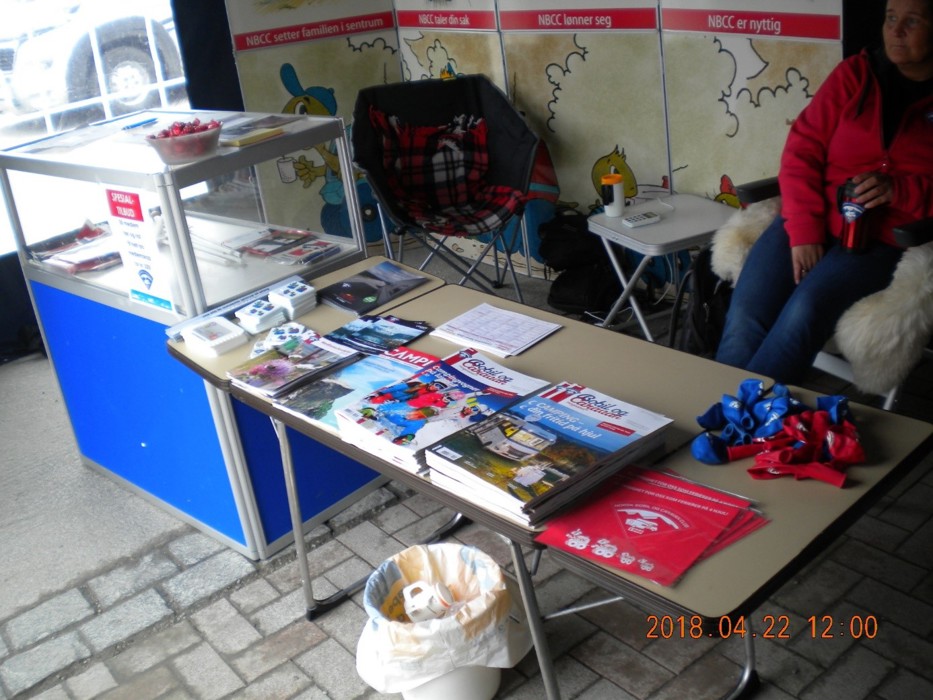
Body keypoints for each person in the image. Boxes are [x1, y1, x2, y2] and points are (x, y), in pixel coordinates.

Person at [715, 0, 933, 385]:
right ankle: (718, 407)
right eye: (890, 18)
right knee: (747, 313)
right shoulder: (856, 75)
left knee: (804, 312)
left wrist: (900, 190)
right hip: (810, 217)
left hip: (882, 239)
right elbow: (802, 151)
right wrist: (804, 232)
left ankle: (744, 415)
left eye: (912, 21)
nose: (896, 31)